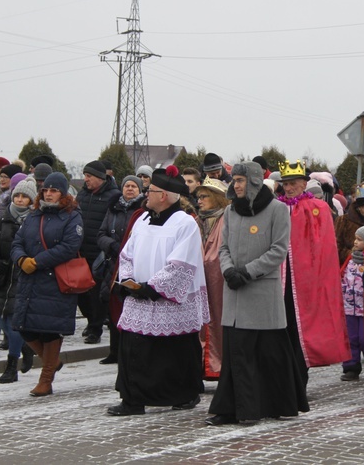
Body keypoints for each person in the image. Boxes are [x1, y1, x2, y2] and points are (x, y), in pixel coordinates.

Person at [207, 161, 308, 425]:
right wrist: (229, 270)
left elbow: (278, 250)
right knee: (236, 356)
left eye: (240, 180)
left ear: (253, 181)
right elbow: (224, 247)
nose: (236, 185)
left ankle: (272, 405)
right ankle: (235, 409)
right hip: (235, 294)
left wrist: (248, 272)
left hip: (262, 295)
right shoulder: (230, 212)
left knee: (267, 357)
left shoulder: (277, 209)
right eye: (234, 180)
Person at [109, 166, 209, 416]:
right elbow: (127, 253)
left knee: (174, 351)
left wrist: (153, 288)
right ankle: (132, 399)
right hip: (138, 295)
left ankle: (184, 394)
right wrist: (129, 279)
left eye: (151, 190)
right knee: (133, 347)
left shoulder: (184, 223)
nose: (146, 194)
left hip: (166, 299)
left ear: (163, 195)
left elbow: (182, 263)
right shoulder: (142, 219)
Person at [277, 159, 350, 389]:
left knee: (301, 332)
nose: (289, 188)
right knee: (282, 331)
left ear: (303, 183)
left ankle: (298, 382)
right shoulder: (276, 208)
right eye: (285, 184)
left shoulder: (316, 208)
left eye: (293, 183)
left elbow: (324, 248)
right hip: (279, 282)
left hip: (305, 281)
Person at [11, 172, 84, 397]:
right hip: (30, 281)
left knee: (50, 332)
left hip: (55, 282)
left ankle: (46, 379)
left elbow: (69, 246)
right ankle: (52, 361)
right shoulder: (34, 214)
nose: (49, 194)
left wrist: (38, 261)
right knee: (24, 327)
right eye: (46, 190)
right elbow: (18, 241)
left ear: (63, 193)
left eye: (54, 190)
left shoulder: (72, 216)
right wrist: (22, 259)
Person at [0, 178, 38, 383]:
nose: (19, 199)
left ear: (31, 200)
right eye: (17, 195)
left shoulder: (35, 220)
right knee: (1, 320)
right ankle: (27, 347)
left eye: (24, 196)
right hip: (2, 275)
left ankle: (11, 366)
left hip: (23, 275)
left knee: (13, 322)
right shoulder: (3, 216)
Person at [95, 175, 145, 365]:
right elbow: (101, 234)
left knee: (129, 306)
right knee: (113, 306)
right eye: (127, 186)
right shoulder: (113, 208)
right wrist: (112, 245)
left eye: (134, 186)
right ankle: (114, 351)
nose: (130, 189)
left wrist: (126, 247)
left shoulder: (141, 211)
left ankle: (129, 350)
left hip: (132, 263)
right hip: (112, 263)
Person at [76, 160, 120, 344]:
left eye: (89, 176)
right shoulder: (82, 195)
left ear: (101, 178)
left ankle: (96, 328)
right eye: (85, 175)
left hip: (101, 253)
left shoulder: (113, 196)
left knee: (97, 294)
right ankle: (90, 320)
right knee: (81, 292)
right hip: (81, 251)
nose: (85, 179)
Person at [193, 177, 230, 380]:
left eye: (204, 196)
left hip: (220, 281)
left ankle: (218, 364)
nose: (199, 200)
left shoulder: (227, 219)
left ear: (217, 198)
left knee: (219, 322)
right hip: (202, 281)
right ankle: (203, 364)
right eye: (198, 197)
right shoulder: (198, 221)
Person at [339, 225, 364, 381]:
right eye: (355, 238)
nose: (355, 242)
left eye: (359, 240)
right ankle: (351, 367)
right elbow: (343, 277)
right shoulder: (351, 260)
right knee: (350, 338)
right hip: (349, 306)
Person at [334, 184, 364, 264]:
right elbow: (336, 246)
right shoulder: (343, 220)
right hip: (347, 267)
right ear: (360, 207)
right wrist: (353, 255)